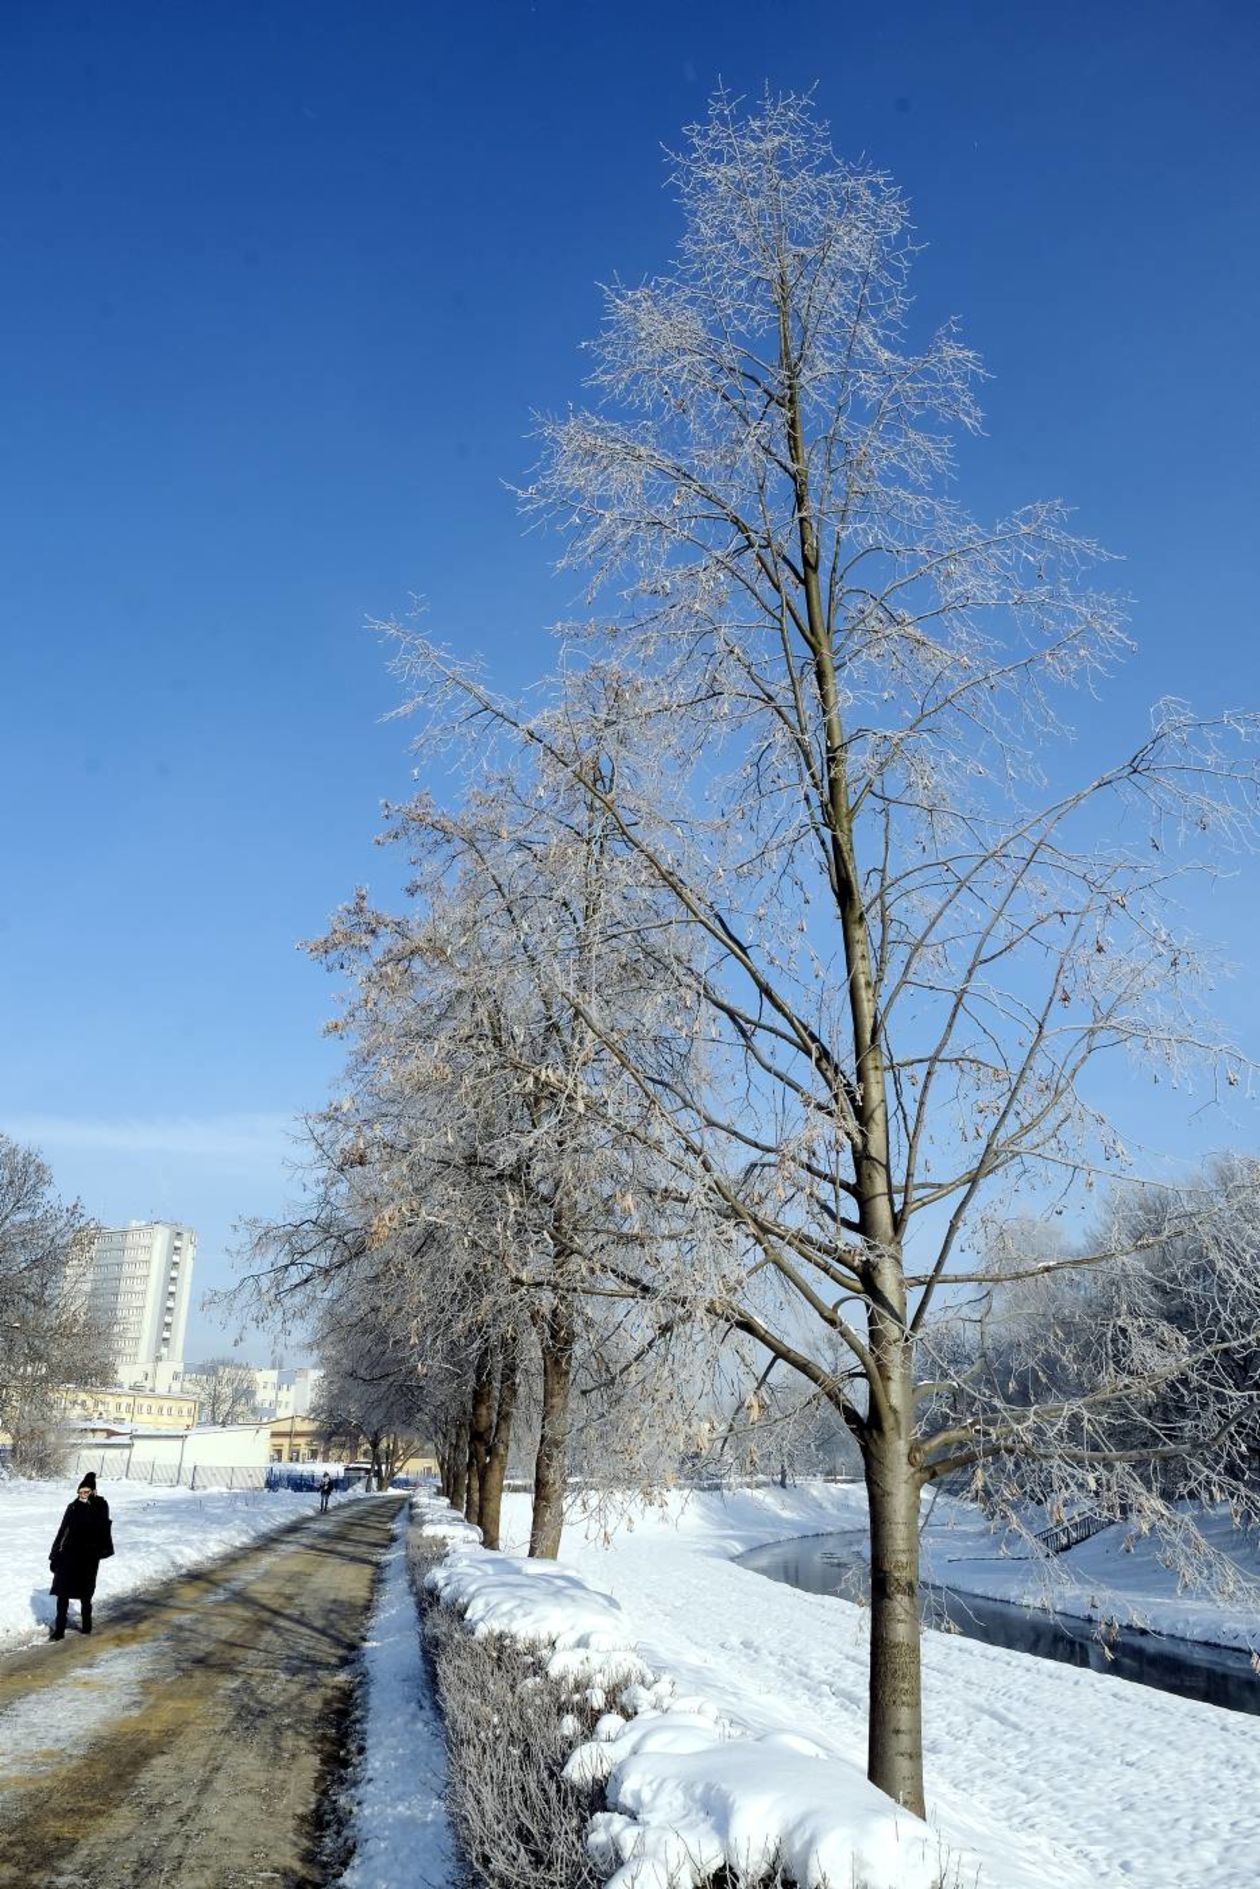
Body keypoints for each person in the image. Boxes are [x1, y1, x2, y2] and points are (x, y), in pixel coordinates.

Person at [48, 1472, 114, 1640]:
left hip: (89, 1556)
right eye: (80, 1492)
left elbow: (103, 1527)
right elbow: (63, 1529)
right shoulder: (73, 1506)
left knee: (85, 1594)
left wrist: (100, 1551)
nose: (82, 1495)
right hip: (69, 1554)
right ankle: (59, 1630)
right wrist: (54, 1553)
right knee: (62, 1592)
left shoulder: (100, 1505)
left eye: (86, 1492)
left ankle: (86, 1625)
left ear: (92, 1491)